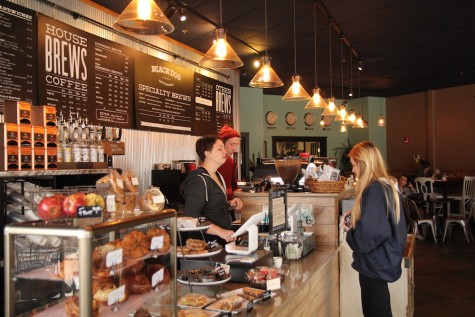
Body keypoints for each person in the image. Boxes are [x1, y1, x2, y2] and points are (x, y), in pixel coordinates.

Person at [342, 141, 407, 317]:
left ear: (363, 163)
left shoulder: (376, 189)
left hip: (374, 263)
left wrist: (350, 231)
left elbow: (371, 233)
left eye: (354, 165)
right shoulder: (384, 186)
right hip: (381, 261)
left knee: (376, 310)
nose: (353, 170)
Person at [182, 135, 238, 246]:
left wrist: (229, 204)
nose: (224, 152)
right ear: (207, 153)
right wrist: (220, 231)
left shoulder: (218, 175)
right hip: (202, 244)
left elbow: (211, 206)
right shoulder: (198, 179)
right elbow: (191, 217)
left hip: (220, 241)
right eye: (219, 149)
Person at [218, 125, 243, 220]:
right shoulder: (215, 162)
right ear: (222, 143)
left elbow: (233, 185)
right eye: (232, 144)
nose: (234, 148)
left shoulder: (230, 161)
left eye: (236, 145)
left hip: (229, 206)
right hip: (217, 208)